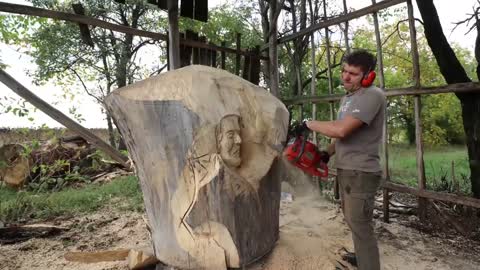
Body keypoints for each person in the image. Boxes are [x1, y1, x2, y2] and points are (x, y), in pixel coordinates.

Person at [305, 49, 386, 270]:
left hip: (361, 171)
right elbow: (345, 136)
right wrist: (326, 153)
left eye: (353, 73)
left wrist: (308, 124)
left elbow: (340, 130)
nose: (346, 77)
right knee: (353, 220)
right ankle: (362, 255)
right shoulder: (349, 98)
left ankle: (369, 264)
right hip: (348, 169)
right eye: (344, 71)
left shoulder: (372, 96)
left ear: (368, 75)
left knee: (360, 224)